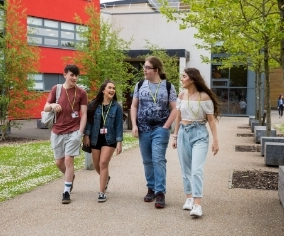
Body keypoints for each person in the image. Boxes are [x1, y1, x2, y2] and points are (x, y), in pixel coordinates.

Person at [172, 68, 220, 217]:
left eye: (184, 76)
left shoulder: (204, 97)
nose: (182, 79)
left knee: (196, 170)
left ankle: (197, 205)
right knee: (185, 168)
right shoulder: (181, 95)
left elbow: (211, 120)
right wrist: (175, 136)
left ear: (192, 79)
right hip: (183, 134)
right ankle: (189, 198)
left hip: (199, 133)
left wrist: (216, 141)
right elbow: (178, 117)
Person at [130, 56, 177, 209]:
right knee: (147, 160)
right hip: (143, 128)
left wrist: (166, 126)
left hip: (160, 128)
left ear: (156, 70)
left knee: (158, 159)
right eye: (144, 67)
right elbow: (134, 106)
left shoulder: (168, 86)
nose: (144, 70)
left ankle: (160, 192)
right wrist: (134, 125)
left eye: (147, 67)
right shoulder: (140, 85)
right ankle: (150, 188)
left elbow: (175, 108)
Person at [43, 64, 88, 204]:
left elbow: (84, 114)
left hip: (73, 131)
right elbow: (45, 107)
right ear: (65, 75)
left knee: (69, 160)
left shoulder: (81, 92)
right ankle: (70, 177)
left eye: (76, 75)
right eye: (72, 75)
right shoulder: (56, 89)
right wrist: (52, 106)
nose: (74, 78)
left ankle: (66, 191)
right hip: (57, 131)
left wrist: (80, 132)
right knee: (59, 162)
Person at [83, 80, 123, 202]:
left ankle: (101, 192)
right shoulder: (93, 104)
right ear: (103, 90)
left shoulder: (116, 107)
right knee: (96, 165)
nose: (112, 90)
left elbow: (118, 126)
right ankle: (106, 178)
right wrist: (86, 135)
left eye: (113, 88)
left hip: (109, 139)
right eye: (110, 88)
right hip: (95, 138)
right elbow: (89, 122)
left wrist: (119, 142)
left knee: (103, 163)